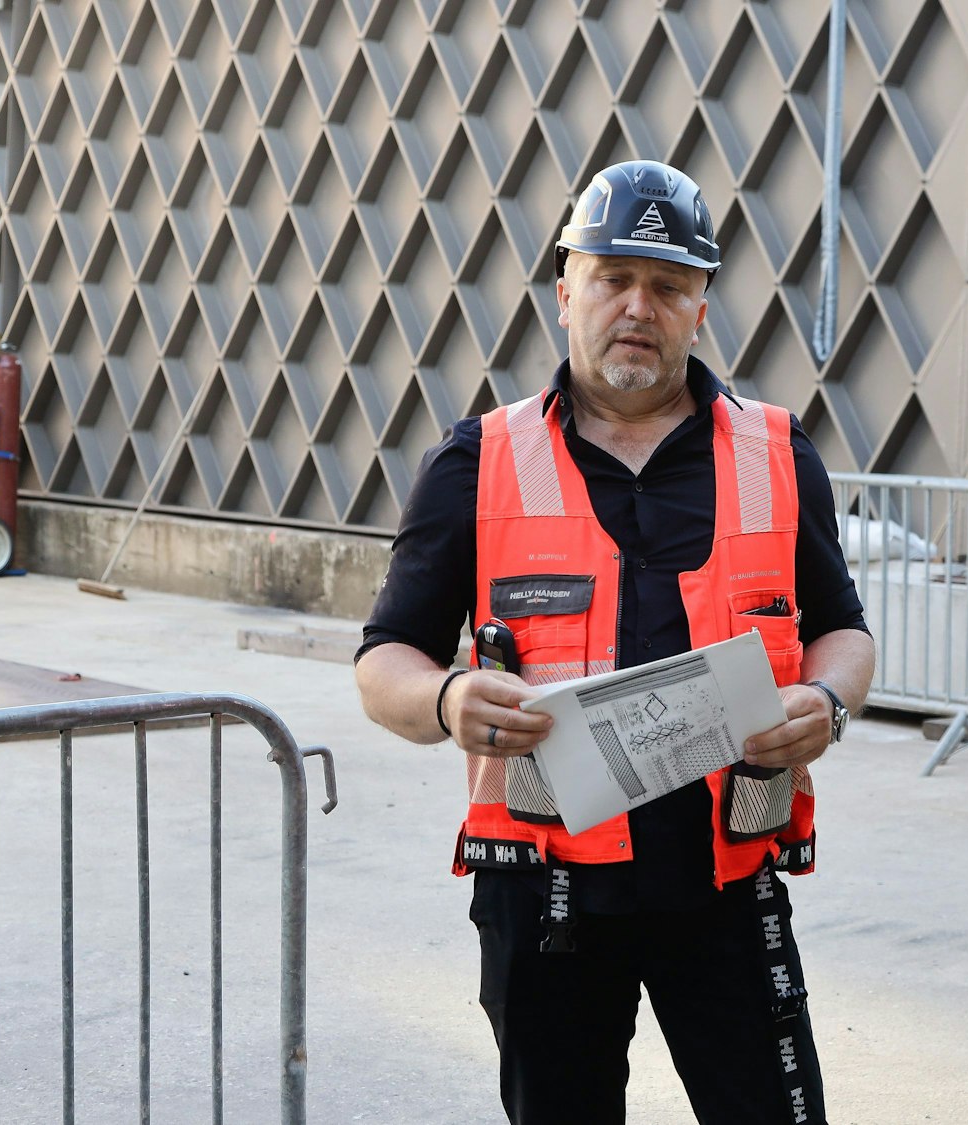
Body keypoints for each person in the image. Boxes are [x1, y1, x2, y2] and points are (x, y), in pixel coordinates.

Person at [354, 158, 874, 1125]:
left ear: (701, 306)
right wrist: (445, 702)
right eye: (613, 277)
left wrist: (830, 703)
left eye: (668, 284)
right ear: (565, 290)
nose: (639, 305)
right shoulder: (476, 462)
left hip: (725, 882)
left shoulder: (775, 453)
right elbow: (384, 657)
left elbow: (843, 629)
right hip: (546, 896)